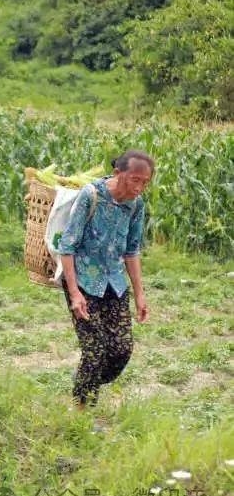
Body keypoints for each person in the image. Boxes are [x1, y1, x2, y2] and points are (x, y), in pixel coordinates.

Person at [58, 149, 153, 410]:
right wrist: (75, 293)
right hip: (84, 282)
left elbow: (132, 250)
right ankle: (81, 410)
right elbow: (67, 246)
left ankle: (84, 382)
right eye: (135, 179)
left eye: (145, 182)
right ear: (118, 173)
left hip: (114, 282)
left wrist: (140, 294)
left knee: (122, 349)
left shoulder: (136, 206)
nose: (139, 187)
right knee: (95, 350)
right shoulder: (92, 195)